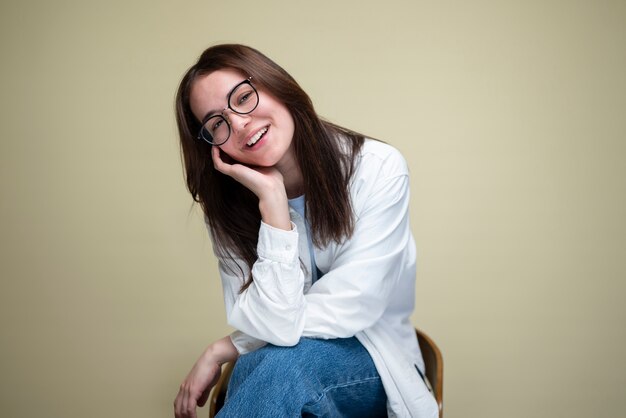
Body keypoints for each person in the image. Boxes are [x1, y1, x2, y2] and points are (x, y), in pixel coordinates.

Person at [173, 44, 438, 418]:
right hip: (281, 372)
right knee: (268, 367)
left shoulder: (377, 169)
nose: (239, 123)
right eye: (216, 123)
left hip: (376, 363)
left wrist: (227, 347)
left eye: (244, 97)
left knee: (280, 368)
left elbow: (349, 308)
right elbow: (268, 324)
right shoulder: (227, 211)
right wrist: (273, 206)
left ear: (277, 86)